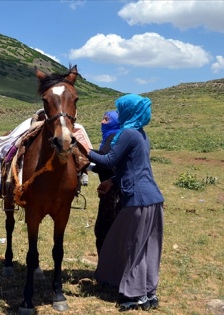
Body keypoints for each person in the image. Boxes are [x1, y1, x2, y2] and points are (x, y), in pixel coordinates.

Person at [86, 94, 164, 312]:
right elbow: (133, 169)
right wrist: (112, 181)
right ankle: (149, 293)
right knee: (147, 247)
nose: (118, 114)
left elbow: (108, 160)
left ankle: (135, 295)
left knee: (131, 245)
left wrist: (81, 148)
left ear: (130, 111)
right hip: (152, 199)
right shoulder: (141, 135)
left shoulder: (128, 134)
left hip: (137, 200)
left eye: (121, 110)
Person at [89, 110, 122, 255]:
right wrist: (89, 167)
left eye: (107, 119)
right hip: (112, 188)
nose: (102, 122)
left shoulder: (113, 137)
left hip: (113, 191)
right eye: (103, 118)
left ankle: (106, 268)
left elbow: (105, 159)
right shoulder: (111, 136)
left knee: (104, 228)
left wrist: (83, 150)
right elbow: (105, 166)